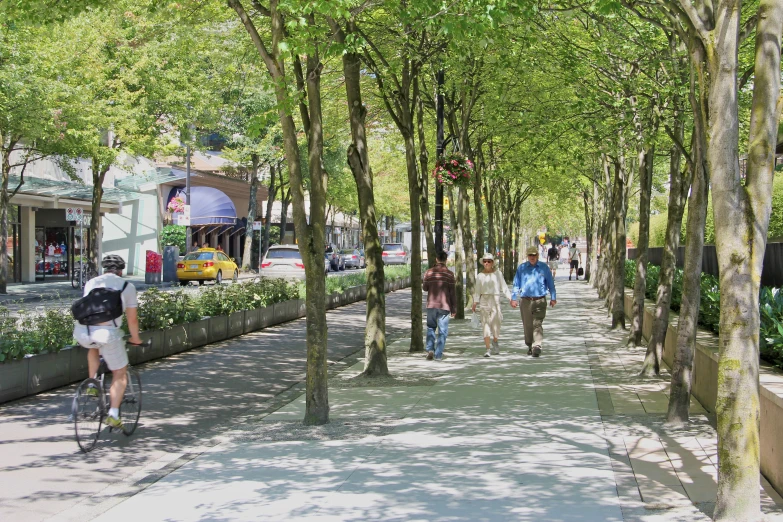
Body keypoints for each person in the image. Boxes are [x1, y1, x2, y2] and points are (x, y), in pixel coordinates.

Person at [73, 255, 143, 429]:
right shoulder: (127, 286)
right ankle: (113, 414)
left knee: (94, 347)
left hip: (83, 331)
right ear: (121, 270)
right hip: (108, 333)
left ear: (104, 269)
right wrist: (135, 338)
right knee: (120, 372)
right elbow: (132, 319)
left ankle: (92, 383)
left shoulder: (92, 283)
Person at [511, 246, 556, 357]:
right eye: (530, 255)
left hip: (540, 300)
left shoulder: (544, 268)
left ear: (537, 255)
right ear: (527, 256)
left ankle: (537, 345)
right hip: (525, 301)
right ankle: (530, 345)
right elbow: (516, 284)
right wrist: (513, 298)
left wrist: (553, 297)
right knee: (528, 325)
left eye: (534, 255)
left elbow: (550, 283)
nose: (532, 257)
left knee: (537, 323)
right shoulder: (521, 268)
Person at [472, 253, 512, 357]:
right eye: (485, 261)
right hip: (484, 300)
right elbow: (477, 290)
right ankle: (488, 349)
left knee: (496, 323)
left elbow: (504, 287)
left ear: (492, 263)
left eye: (489, 261)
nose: (486, 263)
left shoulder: (498, 274)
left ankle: (495, 340)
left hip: (495, 299)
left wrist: (511, 298)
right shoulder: (480, 276)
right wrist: (475, 302)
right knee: (485, 324)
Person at [422, 250, 457, 361]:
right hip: (444, 305)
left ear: (436, 259)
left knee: (431, 327)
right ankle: (438, 355)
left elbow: (425, 288)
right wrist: (454, 308)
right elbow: (452, 293)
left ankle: (430, 349)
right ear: (446, 260)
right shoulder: (450, 274)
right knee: (443, 331)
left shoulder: (428, 272)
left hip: (431, 304)